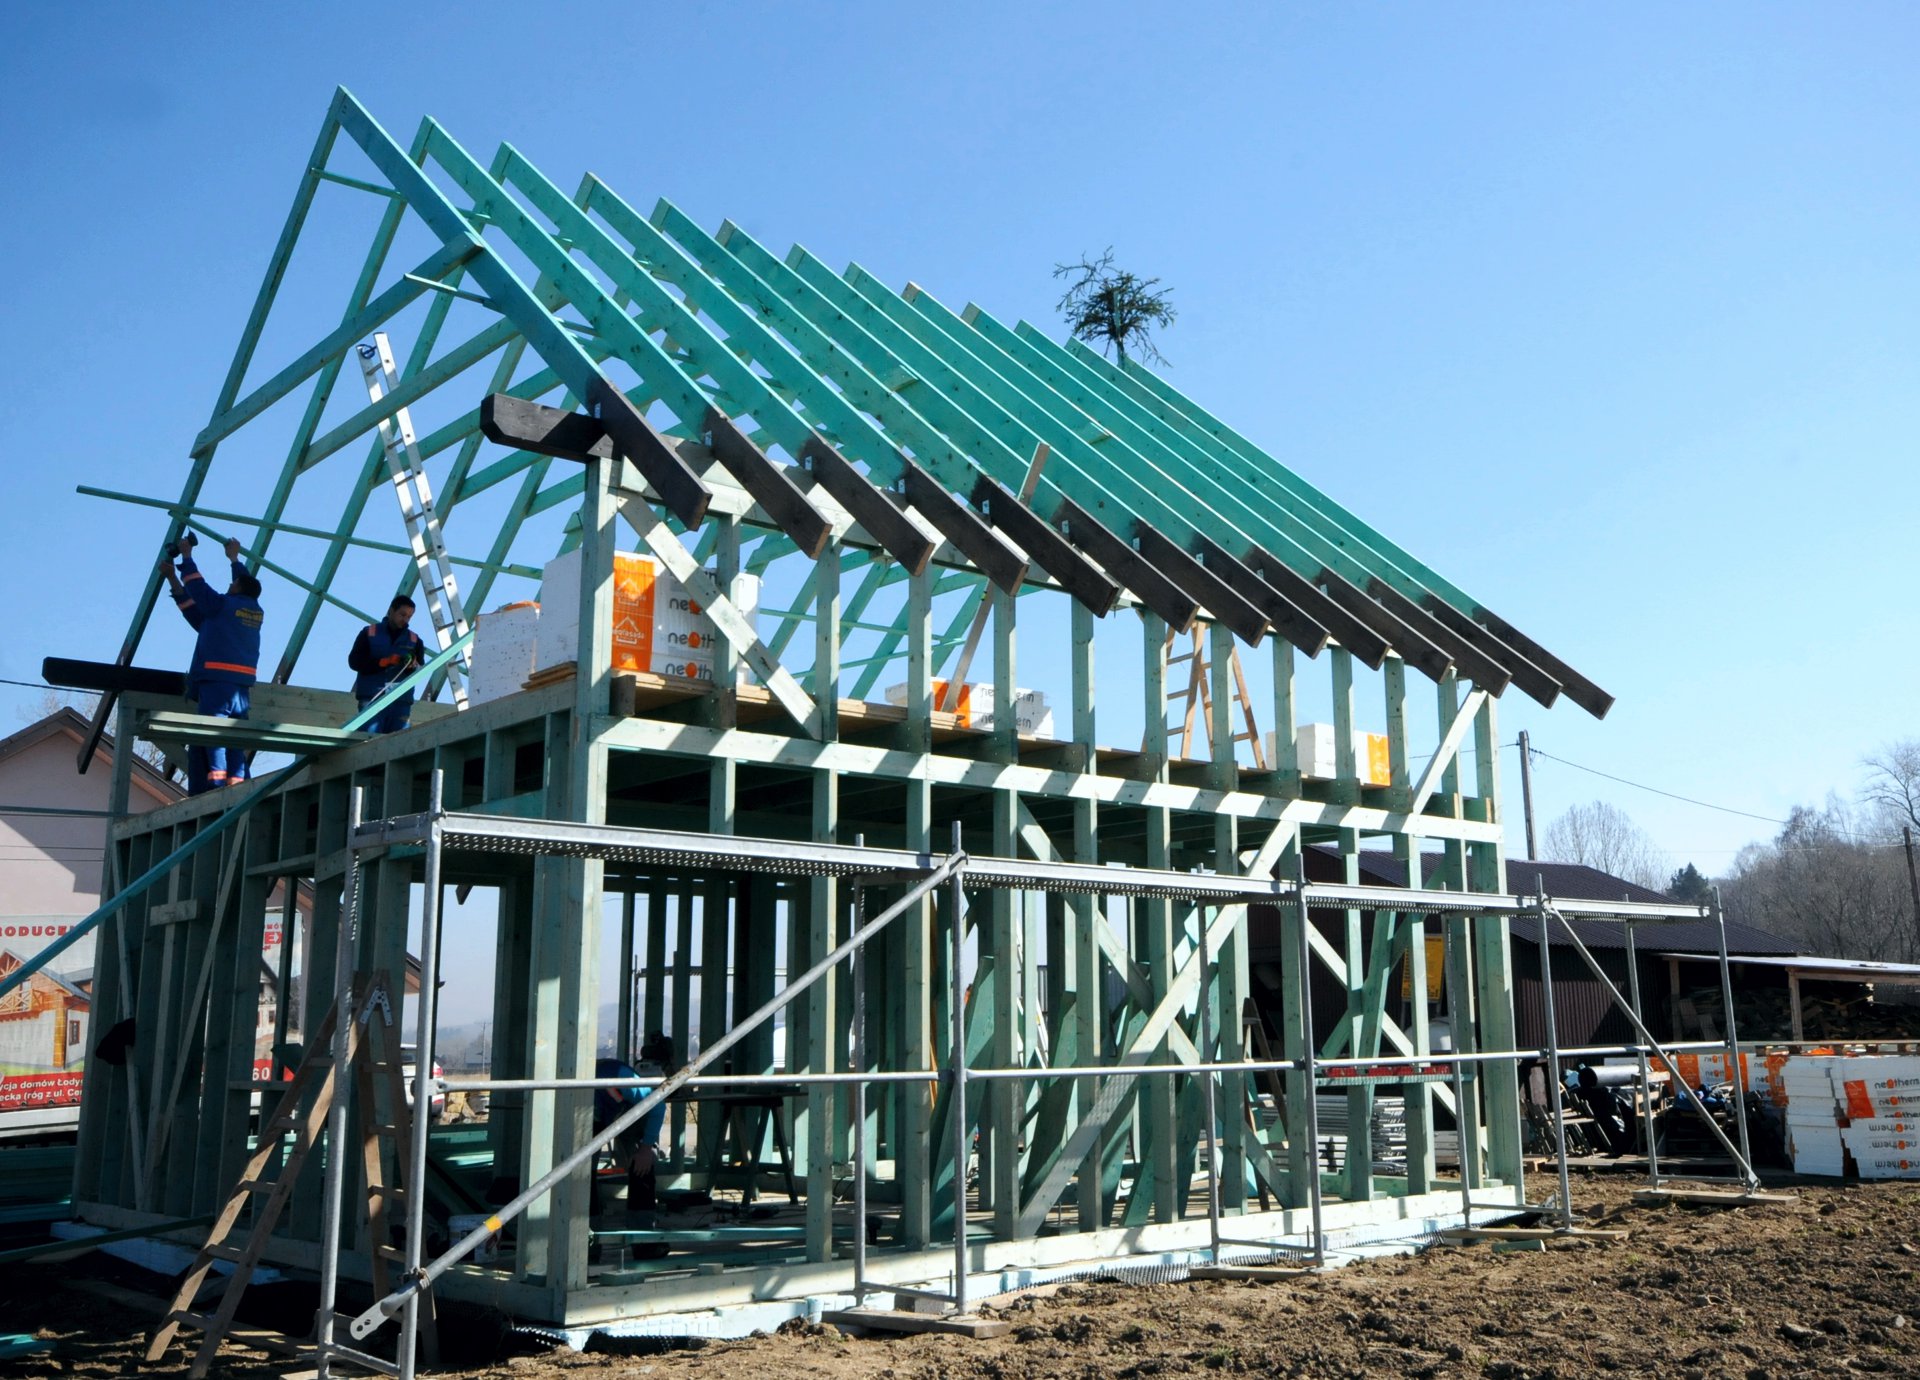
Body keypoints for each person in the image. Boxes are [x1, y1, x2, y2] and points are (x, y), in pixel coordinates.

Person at [159, 535, 263, 794]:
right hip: (241, 688)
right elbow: (195, 612)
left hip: (217, 682)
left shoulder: (222, 606)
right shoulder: (251, 610)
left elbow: (198, 589)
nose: (229, 585)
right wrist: (234, 559)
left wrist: (186, 556)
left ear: (238, 589)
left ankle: (217, 783)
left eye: (232, 583)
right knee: (235, 736)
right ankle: (236, 783)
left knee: (212, 734)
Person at [593, 1056, 665, 1225]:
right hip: (597, 1115)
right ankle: (588, 1229)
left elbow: (657, 1105)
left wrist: (646, 1148)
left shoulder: (617, 1076)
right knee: (582, 1169)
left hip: (629, 1111)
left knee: (641, 1164)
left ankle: (642, 1229)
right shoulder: (571, 1090)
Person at [348, 596, 428, 733]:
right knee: (369, 739)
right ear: (391, 611)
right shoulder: (369, 633)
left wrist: (411, 666)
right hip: (372, 697)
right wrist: (383, 662)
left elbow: (420, 669)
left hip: (400, 701)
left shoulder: (414, 640)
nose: (405, 620)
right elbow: (354, 661)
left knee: (400, 740)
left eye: (409, 617)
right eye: (402, 614)